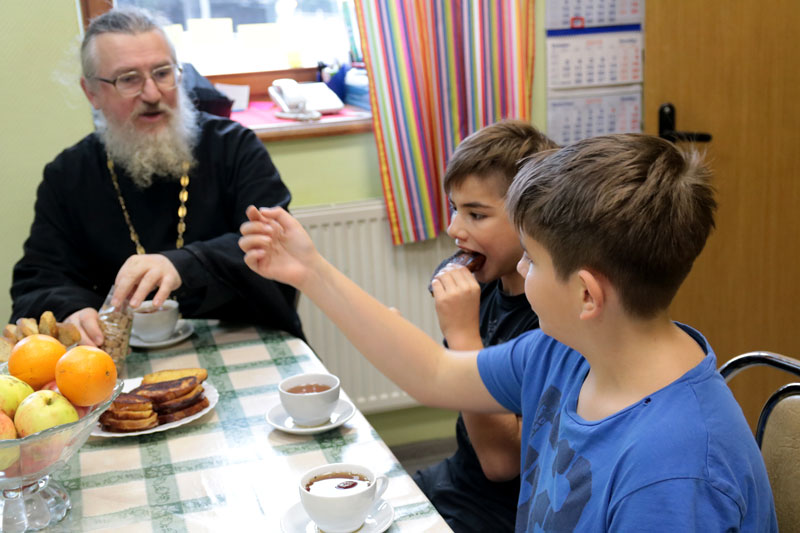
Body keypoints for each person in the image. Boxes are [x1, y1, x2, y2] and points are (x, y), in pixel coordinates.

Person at [240, 133, 777, 531]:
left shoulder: (674, 474)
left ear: (586, 295)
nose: (521, 269)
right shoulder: (566, 351)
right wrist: (311, 271)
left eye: (533, 261)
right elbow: (433, 372)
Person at [10, 7, 303, 344]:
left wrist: (184, 265)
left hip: (239, 341)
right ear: (92, 93)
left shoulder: (235, 148)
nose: (152, 94)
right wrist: (71, 310)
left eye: (163, 73)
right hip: (120, 361)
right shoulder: (68, 176)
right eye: (128, 79)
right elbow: (38, 283)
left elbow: (277, 246)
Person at [417, 121, 557, 532]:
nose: (454, 230)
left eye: (476, 214)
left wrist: (462, 336)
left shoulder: (552, 322)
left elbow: (501, 463)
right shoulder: (483, 287)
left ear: (531, 218)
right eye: (454, 209)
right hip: (458, 479)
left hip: (504, 513)